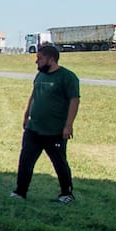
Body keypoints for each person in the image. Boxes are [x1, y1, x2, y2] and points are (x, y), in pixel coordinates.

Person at [12, 44, 80, 202]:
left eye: (40, 58)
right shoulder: (39, 76)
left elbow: (74, 101)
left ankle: (66, 193)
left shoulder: (67, 77)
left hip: (55, 131)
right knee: (25, 160)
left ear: (51, 59)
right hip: (33, 128)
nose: (37, 62)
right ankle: (20, 192)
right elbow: (33, 95)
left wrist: (68, 125)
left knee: (59, 162)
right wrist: (26, 114)